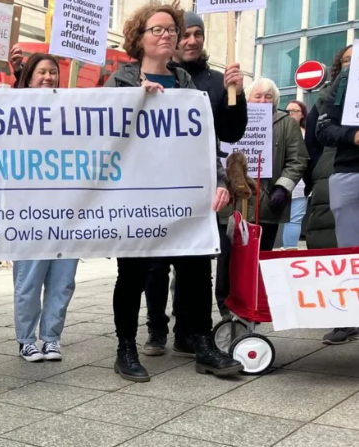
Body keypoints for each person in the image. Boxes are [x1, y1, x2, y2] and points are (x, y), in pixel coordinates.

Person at [105, 0, 243, 382]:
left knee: (195, 268)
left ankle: (200, 341)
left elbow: (203, 143)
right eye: (158, 30)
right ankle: (126, 348)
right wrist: (134, 101)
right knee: (132, 272)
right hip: (135, 199)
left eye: (171, 30)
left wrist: (218, 182)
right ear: (140, 38)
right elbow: (101, 137)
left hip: (181, 197)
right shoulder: (120, 82)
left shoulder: (186, 84)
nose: (167, 36)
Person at [142, 10, 250, 353]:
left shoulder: (217, 82)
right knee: (156, 264)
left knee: (195, 262)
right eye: (183, 34)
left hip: (196, 181)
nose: (190, 41)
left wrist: (237, 95)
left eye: (196, 35)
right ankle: (156, 328)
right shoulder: (149, 75)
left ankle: (189, 331)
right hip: (155, 183)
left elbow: (230, 134)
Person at [9, 54, 79, 363]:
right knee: (30, 277)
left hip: (67, 210)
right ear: (29, 77)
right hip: (30, 212)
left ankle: (51, 337)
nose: (49, 77)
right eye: (41, 72)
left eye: (53, 72)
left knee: (63, 280)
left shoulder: (71, 110)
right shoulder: (15, 108)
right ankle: (26, 339)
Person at [216, 78, 309, 310]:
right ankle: (226, 308)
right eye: (258, 96)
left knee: (260, 258)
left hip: (266, 205)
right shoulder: (233, 120)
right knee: (227, 258)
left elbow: (298, 159)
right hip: (232, 204)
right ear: (248, 98)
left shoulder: (286, 123)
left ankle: (253, 305)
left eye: (269, 97)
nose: (263, 100)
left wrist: (282, 187)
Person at [307, 46, 358, 345]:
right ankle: (348, 318)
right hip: (350, 174)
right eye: (347, 60)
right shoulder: (342, 86)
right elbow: (322, 131)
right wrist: (353, 136)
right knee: (350, 253)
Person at [282, 100, 308, 250]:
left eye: (294, 111)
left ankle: (289, 249)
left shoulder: (305, 134)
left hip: (299, 182)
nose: (290, 113)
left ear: (302, 114)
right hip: (279, 181)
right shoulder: (280, 129)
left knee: (294, 219)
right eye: (288, 111)